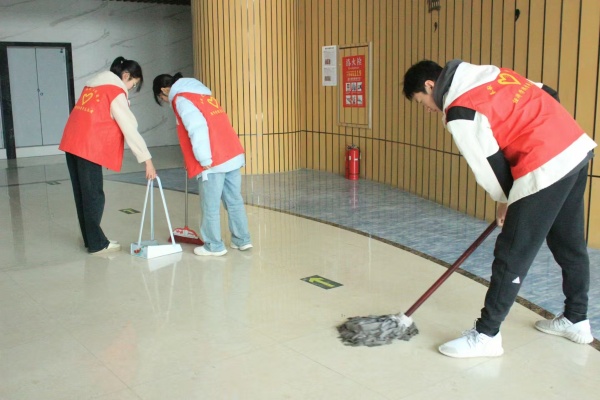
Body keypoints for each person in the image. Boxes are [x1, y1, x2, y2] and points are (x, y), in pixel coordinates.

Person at [403, 59, 597, 358]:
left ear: (430, 86)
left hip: (544, 165)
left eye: (422, 102)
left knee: (511, 253)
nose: (428, 109)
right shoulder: (491, 74)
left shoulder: (460, 110)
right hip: (573, 148)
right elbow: (549, 92)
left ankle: (486, 335)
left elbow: (489, 166)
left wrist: (508, 199)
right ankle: (576, 318)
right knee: (568, 242)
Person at [60, 56, 157, 255]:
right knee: (94, 196)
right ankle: (97, 244)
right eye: (133, 83)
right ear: (126, 75)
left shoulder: (92, 86)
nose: (130, 88)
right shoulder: (114, 91)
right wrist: (147, 160)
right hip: (88, 148)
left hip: (72, 144)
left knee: (83, 196)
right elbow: (130, 128)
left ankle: (91, 239)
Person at [152, 73, 252, 257]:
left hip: (213, 159)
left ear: (164, 90)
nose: (166, 101)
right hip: (232, 152)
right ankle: (242, 240)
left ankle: (214, 246)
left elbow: (197, 128)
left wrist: (203, 159)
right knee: (234, 200)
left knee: (210, 205)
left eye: (162, 99)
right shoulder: (203, 95)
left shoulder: (182, 99)